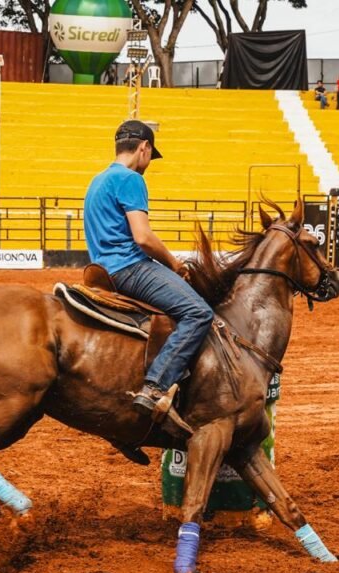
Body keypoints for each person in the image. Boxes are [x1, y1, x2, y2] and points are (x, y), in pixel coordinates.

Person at [83, 120, 213, 436]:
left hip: (101, 270)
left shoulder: (97, 181)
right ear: (144, 148)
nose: (147, 165)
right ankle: (155, 386)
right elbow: (143, 237)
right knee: (198, 312)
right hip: (129, 267)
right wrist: (173, 263)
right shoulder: (131, 180)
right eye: (150, 157)